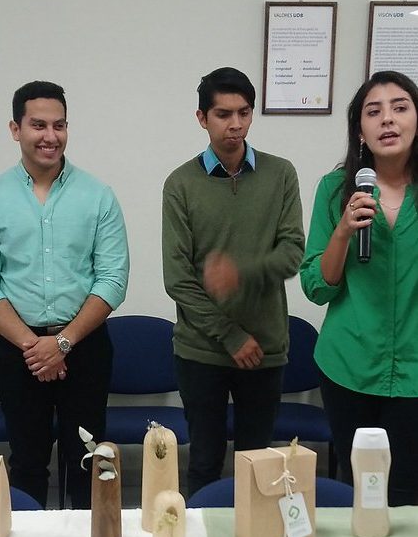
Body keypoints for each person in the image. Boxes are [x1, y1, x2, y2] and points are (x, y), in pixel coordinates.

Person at [0, 81, 129, 509]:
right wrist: (35, 347)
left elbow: (112, 279)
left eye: (59, 125)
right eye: (38, 125)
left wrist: (63, 343)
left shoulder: (98, 196)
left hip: (85, 347)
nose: (50, 136)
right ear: (15, 129)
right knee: (27, 463)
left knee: (88, 461)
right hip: (18, 352)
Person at [162, 67, 304, 497]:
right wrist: (230, 335)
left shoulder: (281, 174)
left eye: (244, 112)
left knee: (257, 466)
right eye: (223, 114)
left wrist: (239, 272)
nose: (235, 124)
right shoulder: (181, 184)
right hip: (202, 350)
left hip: (265, 347)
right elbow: (178, 279)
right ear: (202, 118)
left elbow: (293, 252)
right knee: (204, 462)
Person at [300, 70, 418, 506]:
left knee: (406, 495)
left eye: (400, 107)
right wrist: (344, 231)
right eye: (374, 111)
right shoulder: (336, 190)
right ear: (360, 131)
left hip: (414, 372)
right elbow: (317, 287)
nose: (388, 119)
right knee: (360, 492)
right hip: (349, 365)